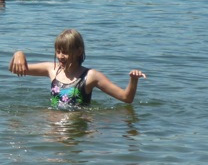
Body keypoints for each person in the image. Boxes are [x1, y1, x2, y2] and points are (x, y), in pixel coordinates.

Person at [9, 28, 146, 107]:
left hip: (78, 124)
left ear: (79, 51)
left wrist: (133, 80)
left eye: (66, 52)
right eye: (58, 51)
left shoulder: (90, 76)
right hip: (54, 123)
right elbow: (17, 69)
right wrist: (19, 54)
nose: (61, 56)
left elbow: (126, 98)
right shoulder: (52, 69)